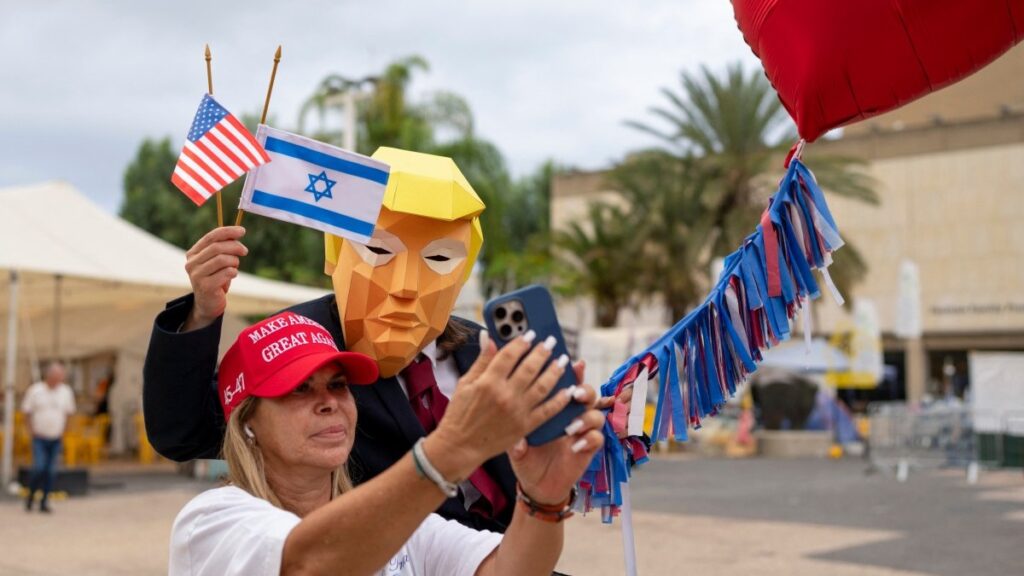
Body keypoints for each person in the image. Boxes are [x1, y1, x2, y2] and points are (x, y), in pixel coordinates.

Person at [145, 148, 574, 534]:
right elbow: (185, 434)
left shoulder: (487, 351)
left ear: (464, 273)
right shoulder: (296, 343)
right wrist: (202, 311)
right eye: (379, 251)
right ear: (335, 254)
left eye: (439, 258)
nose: (405, 286)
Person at [169, 311, 604, 576]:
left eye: (338, 385)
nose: (328, 403)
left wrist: (542, 498)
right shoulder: (212, 519)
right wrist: (456, 445)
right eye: (299, 389)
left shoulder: (397, 522)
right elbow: (309, 565)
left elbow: (513, 570)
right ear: (247, 421)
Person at [21, 361, 76, 513]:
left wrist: (65, 431)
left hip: (56, 437)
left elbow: (69, 413)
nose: (59, 379)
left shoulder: (66, 392)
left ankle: (45, 501)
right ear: (49, 376)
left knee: (51, 471)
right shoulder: (35, 390)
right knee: (39, 467)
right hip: (40, 437)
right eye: (57, 376)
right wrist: (31, 430)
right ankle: (31, 495)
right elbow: (26, 412)